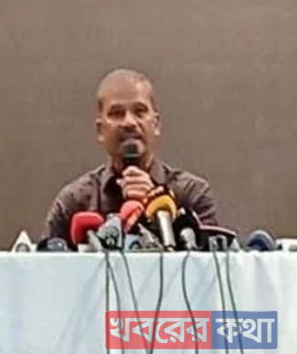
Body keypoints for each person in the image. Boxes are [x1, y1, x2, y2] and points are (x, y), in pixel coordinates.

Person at [42, 68, 218, 246]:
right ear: (100, 130)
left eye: (139, 111)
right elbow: (45, 260)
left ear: (156, 124)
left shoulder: (192, 194)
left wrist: (156, 205)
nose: (129, 122)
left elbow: (212, 259)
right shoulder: (74, 202)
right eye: (117, 113)